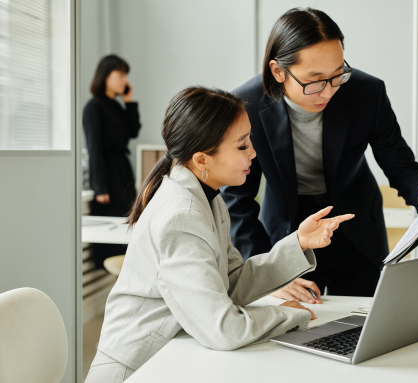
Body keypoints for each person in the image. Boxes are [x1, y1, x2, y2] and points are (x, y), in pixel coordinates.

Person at [85, 86, 353, 382]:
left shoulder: (207, 195)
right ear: (202, 160)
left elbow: (229, 282)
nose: (254, 152)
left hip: (171, 355)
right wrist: (291, 316)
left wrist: (299, 242)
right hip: (137, 369)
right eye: (242, 146)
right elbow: (223, 329)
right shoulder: (182, 215)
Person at [221, 7, 418, 303]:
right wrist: (264, 271)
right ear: (278, 71)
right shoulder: (246, 106)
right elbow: (236, 199)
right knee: (295, 330)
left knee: (361, 328)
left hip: (356, 228)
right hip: (290, 233)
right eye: (314, 81)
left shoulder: (366, 92)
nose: (328, 92)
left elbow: (398, 161)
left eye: (337, 75)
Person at [83, 54, 141, 268]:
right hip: (107, 173)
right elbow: (94, 147)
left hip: (123, 170)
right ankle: (113, 268)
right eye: (120, 74)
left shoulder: (116, 106)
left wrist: (129, 102)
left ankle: (128, 267)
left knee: (128, 219)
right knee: (114, 222)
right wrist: (100, 187)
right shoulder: (94, 107)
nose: (124, 80)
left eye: (126, 75)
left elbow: (133, 132)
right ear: (105, 75)